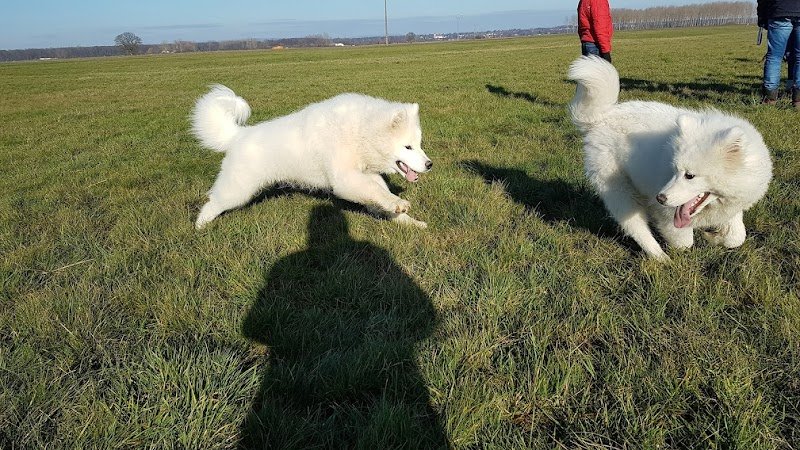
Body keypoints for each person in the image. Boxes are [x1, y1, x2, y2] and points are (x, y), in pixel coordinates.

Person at [757, 0, 800, 108]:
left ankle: (769, 99)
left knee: (774, 57)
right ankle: (798, 100)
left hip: (779, 11)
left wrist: (762, 17)